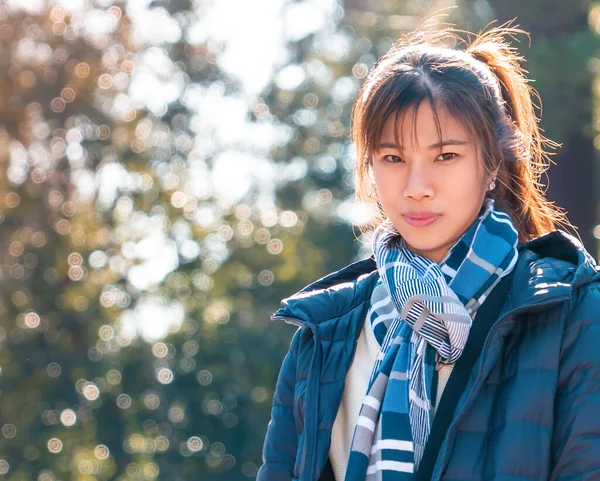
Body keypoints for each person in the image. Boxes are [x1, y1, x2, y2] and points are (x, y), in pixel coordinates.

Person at [257, 24, 600, 481]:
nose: (416, 189)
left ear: (492, 161)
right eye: (393, 158)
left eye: (445, 156)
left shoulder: (571, 312)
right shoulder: (323, 336)